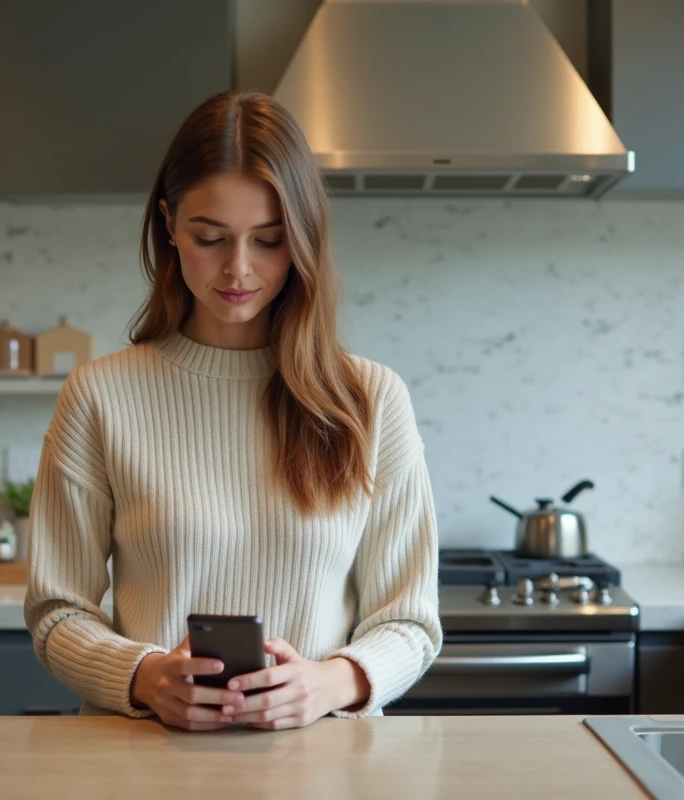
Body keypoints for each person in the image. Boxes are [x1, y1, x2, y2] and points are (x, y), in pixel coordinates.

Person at [23, 90, 441, 731]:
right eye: (210, 237)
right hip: (144, 762)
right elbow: (57, 612)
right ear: (169, 224)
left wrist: (328, 683)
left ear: (303, 239)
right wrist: (146, 676)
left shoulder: (370, 399)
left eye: (269, 240)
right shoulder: (100, 396)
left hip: (319, 764)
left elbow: (410, 621)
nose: (239, 269)